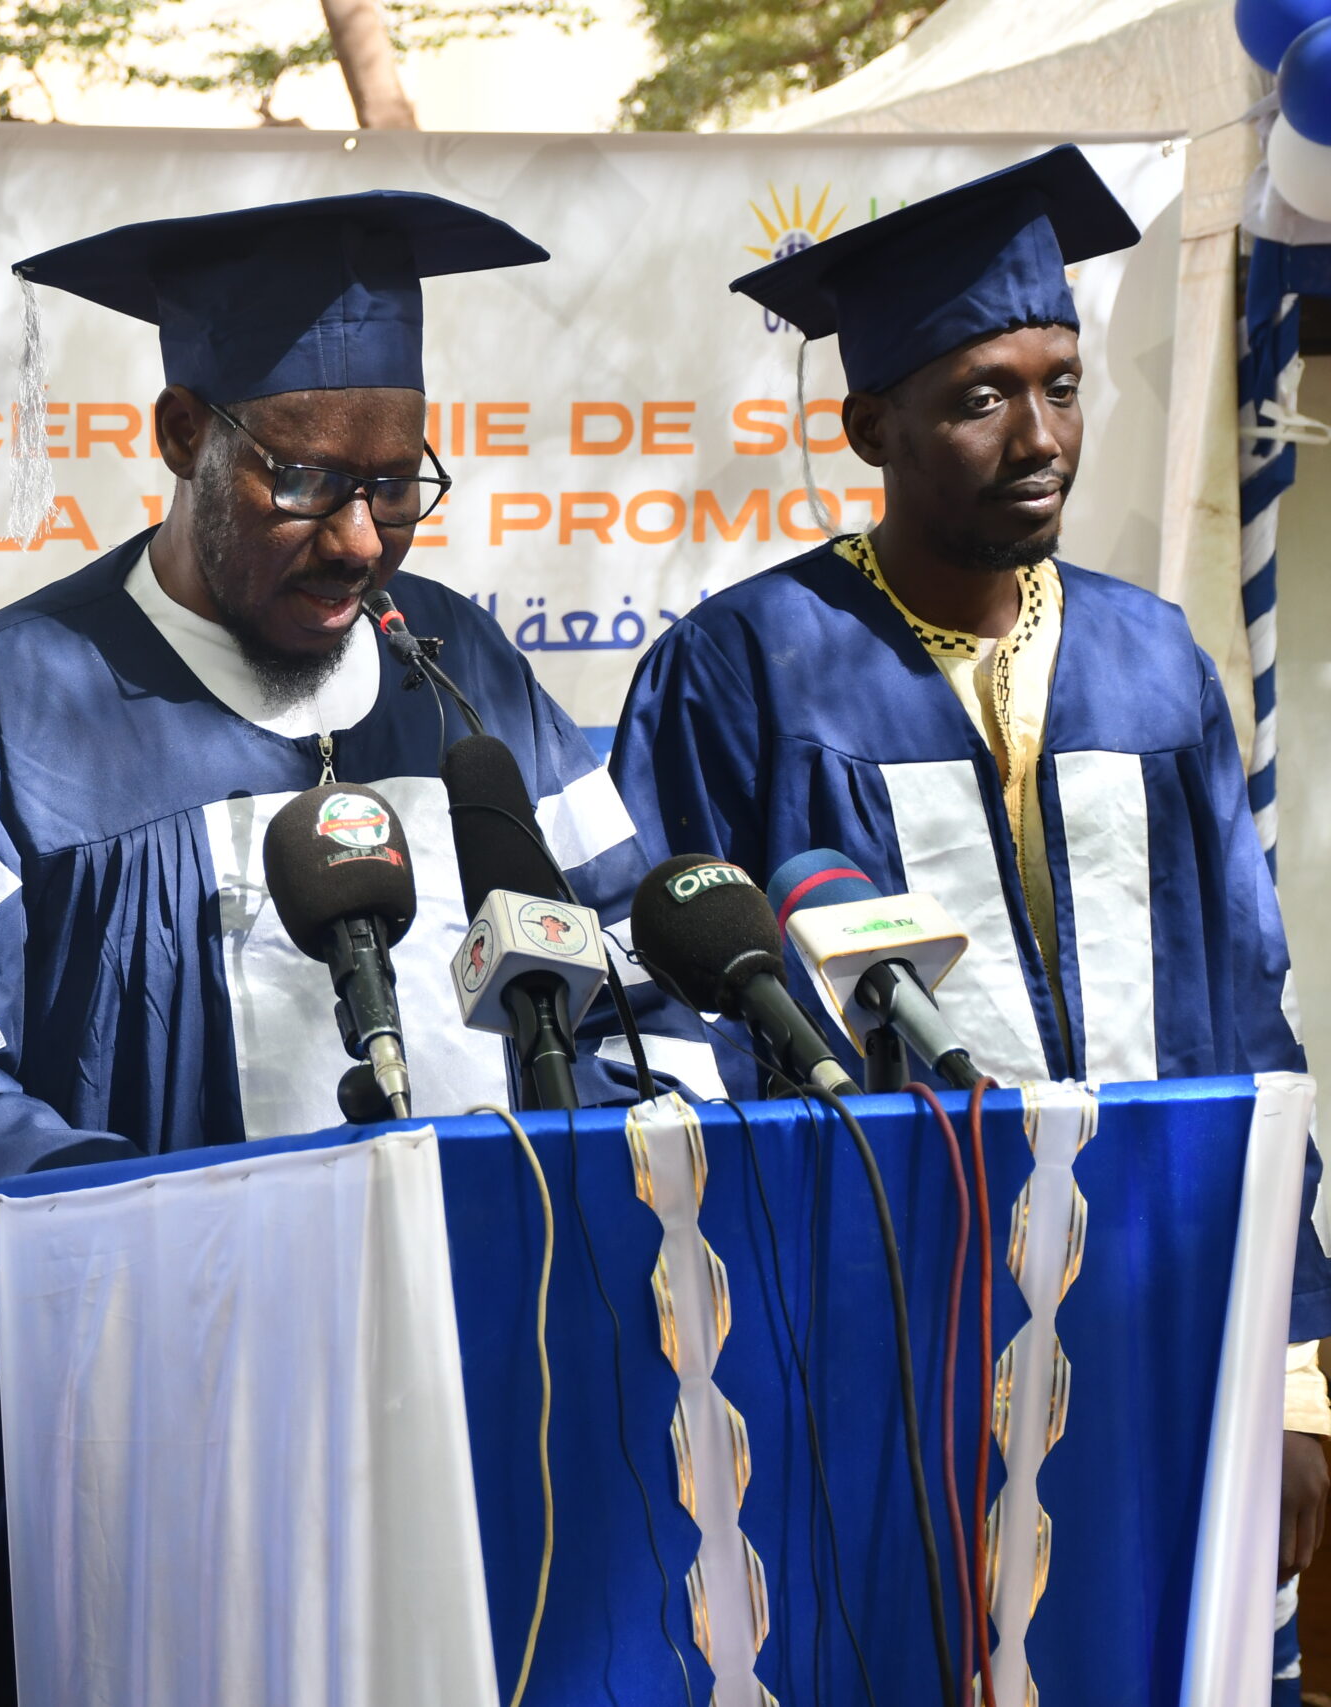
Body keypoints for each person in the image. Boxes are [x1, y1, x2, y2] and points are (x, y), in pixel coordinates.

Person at [0, 191, 709, 1704]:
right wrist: (211, 1287)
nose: (360, 540)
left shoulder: (464, 674)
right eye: (309, 483)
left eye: (401, 487)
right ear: (182, 431)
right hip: (184, 1474)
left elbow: (631, 1010)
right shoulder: (4, 711)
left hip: (501, 1420)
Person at [605, 143, 1331, 1693]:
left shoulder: (1153, 663)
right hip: (873, 1333)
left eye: (1062, 383)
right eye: (980, 394)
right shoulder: (745, 671)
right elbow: (661, 1029)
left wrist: (1293, 1377)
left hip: (1166, 1303)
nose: (1040, 434)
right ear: (869, 423)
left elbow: (1247, 1025)